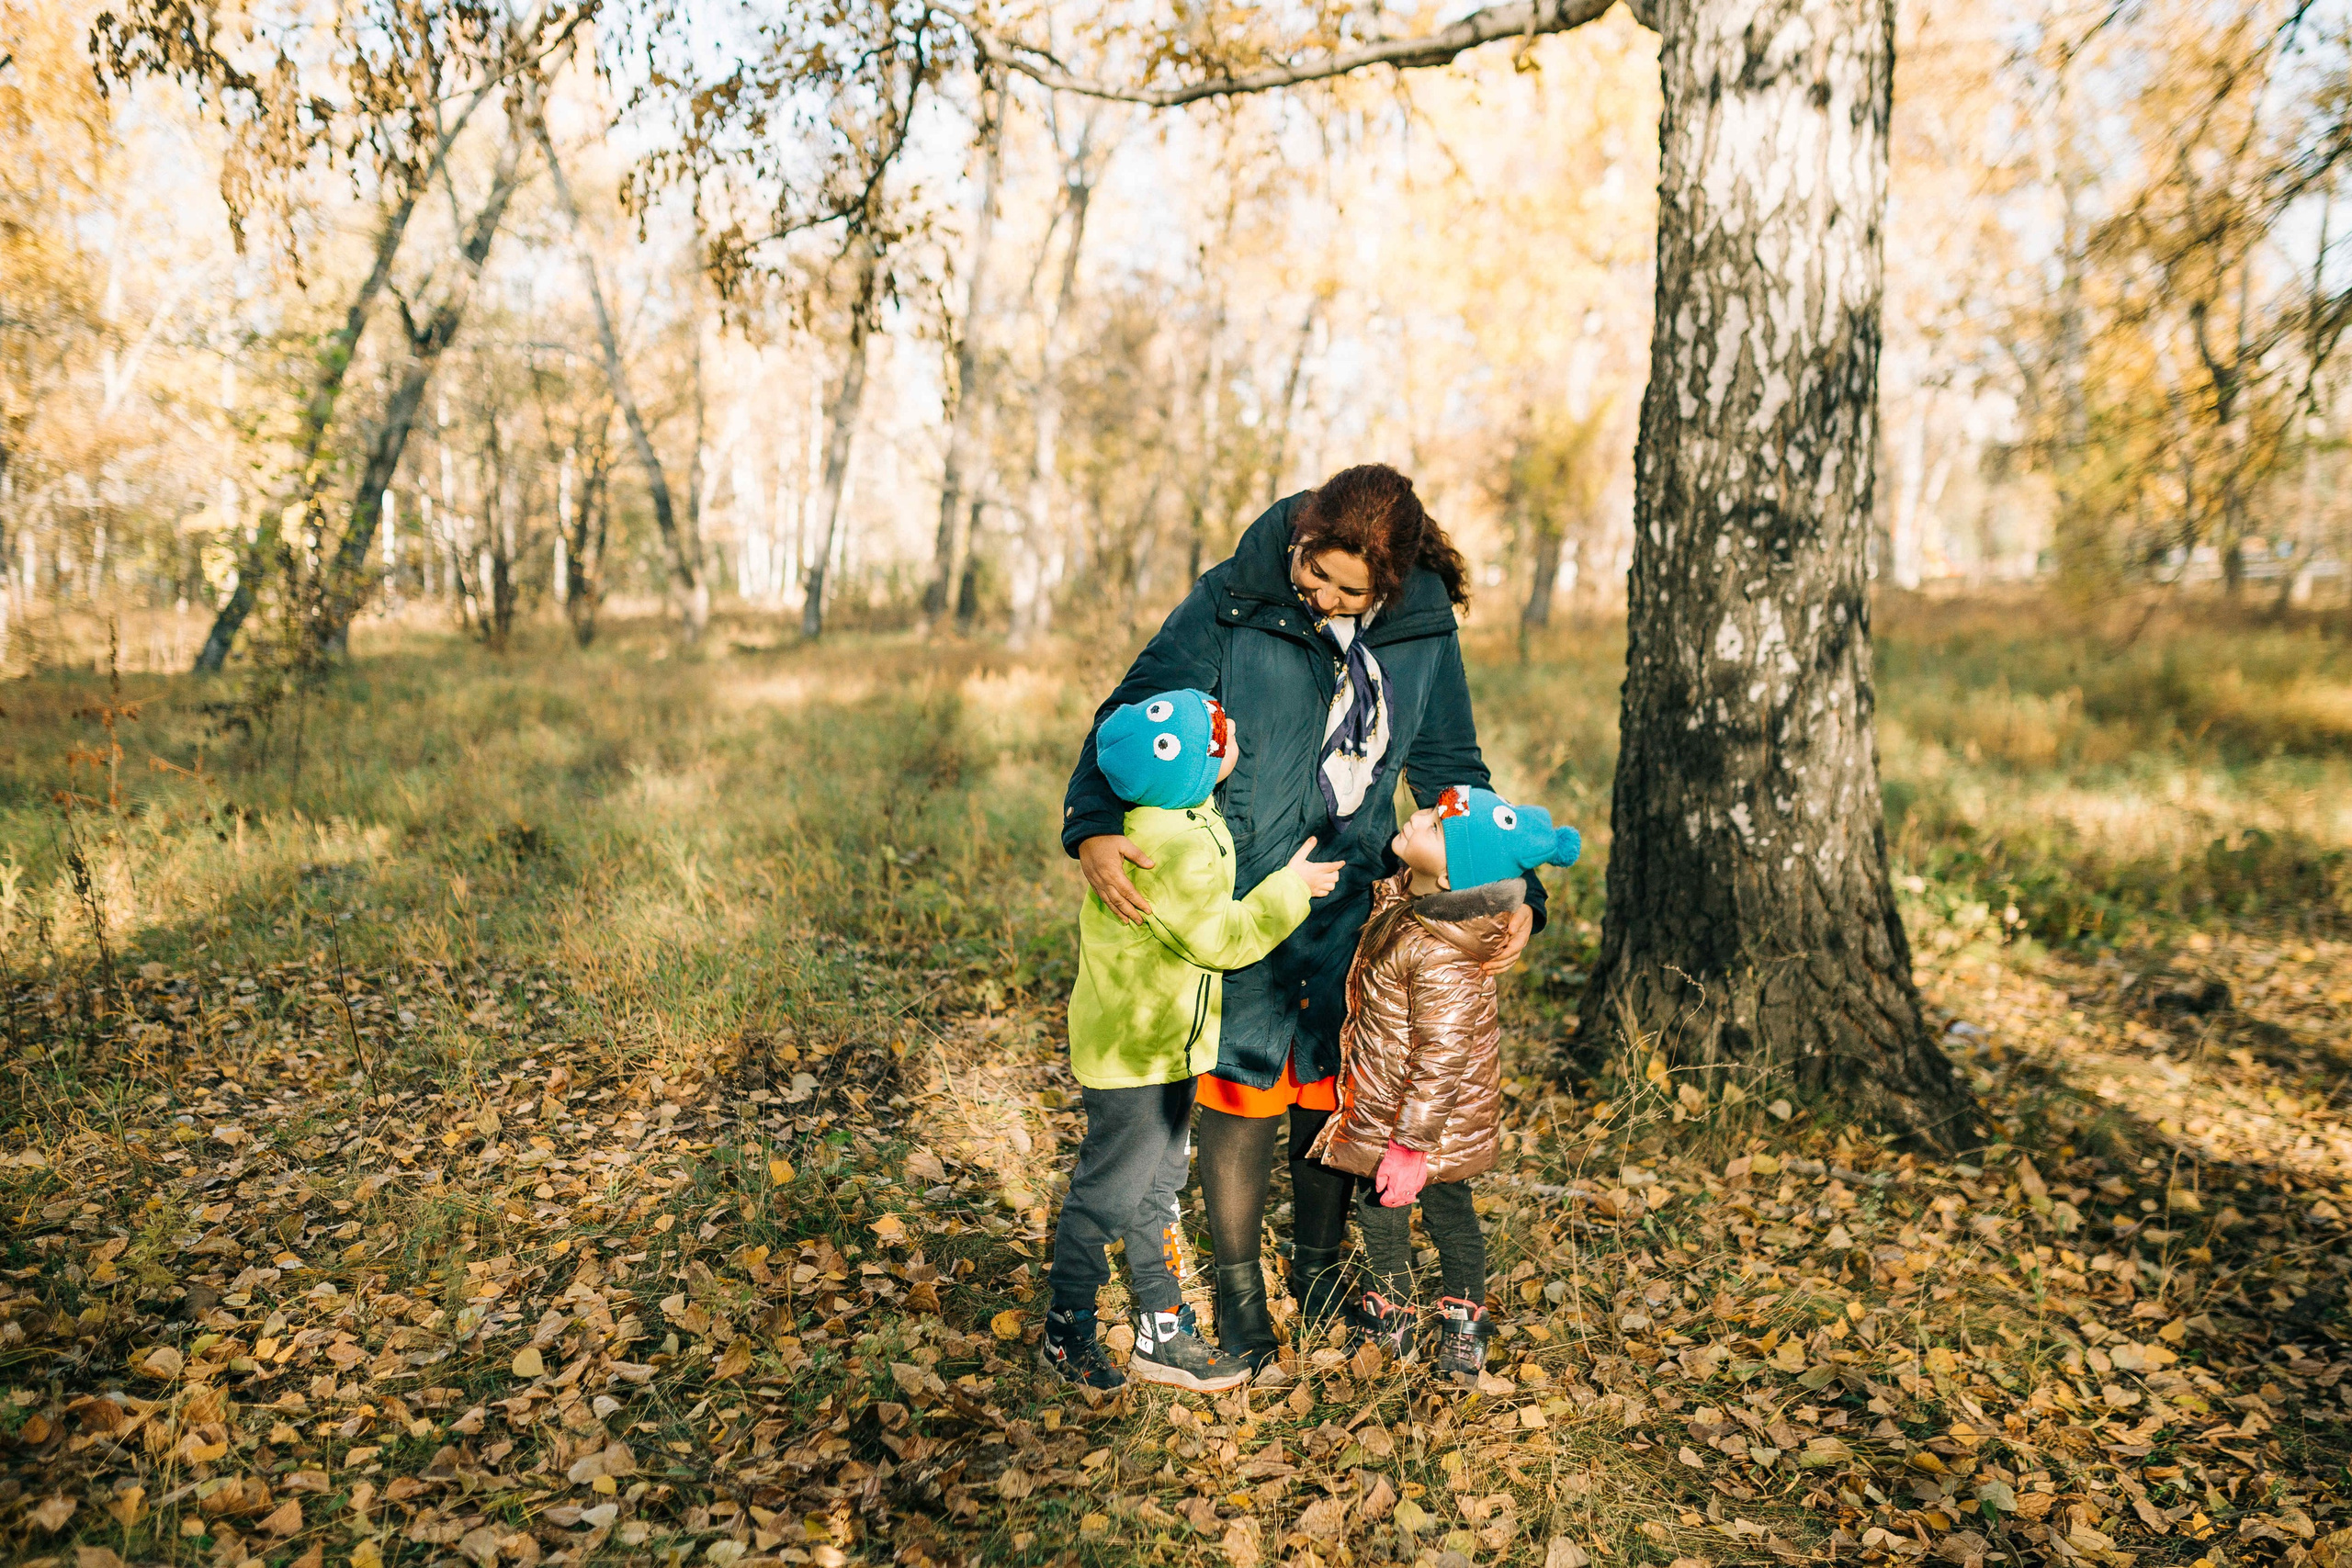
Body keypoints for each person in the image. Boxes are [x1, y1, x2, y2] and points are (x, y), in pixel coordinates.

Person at [1063, 465, 1543, 1372]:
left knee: (1333, 1092)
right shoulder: (1238, 595)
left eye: (1345, 589)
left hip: (1349, 891)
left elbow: (1452, 770)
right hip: (1240, 887)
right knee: (1244, 1087)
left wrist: (1514, 885)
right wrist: (1091, 826)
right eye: (1313, 572)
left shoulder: (1421, 627)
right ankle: (1244, 1303)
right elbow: (1132, 714)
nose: (1318, 595)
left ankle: (1321, 1282)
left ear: (1390, 585)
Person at [1042, 688, 1343, 1393]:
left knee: (1156, 1189)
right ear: (1189, 768)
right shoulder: (1169, 849)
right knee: (1110, 1194)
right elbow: (1224, 939)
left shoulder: (1166, 815)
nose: (1229, 727)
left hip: (1163, 1048)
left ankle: (1162, 1328)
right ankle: (1067, 1327)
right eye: (1216, 732)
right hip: (1139, 1057)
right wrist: (1290, 888)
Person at [1308, 785, 1582, 1384]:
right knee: (1380, 1213)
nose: (1418, 815)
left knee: (1445, 1212)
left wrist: (1411, 1148)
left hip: (1429, 1125)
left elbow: (1441, 1058)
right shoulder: (1413, 899)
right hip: (1390, 1103)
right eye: (1431, 810)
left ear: (1457, 872)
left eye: (1434, 824)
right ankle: (1394, 1311)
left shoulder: (1445, 952)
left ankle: (1463, 1317)